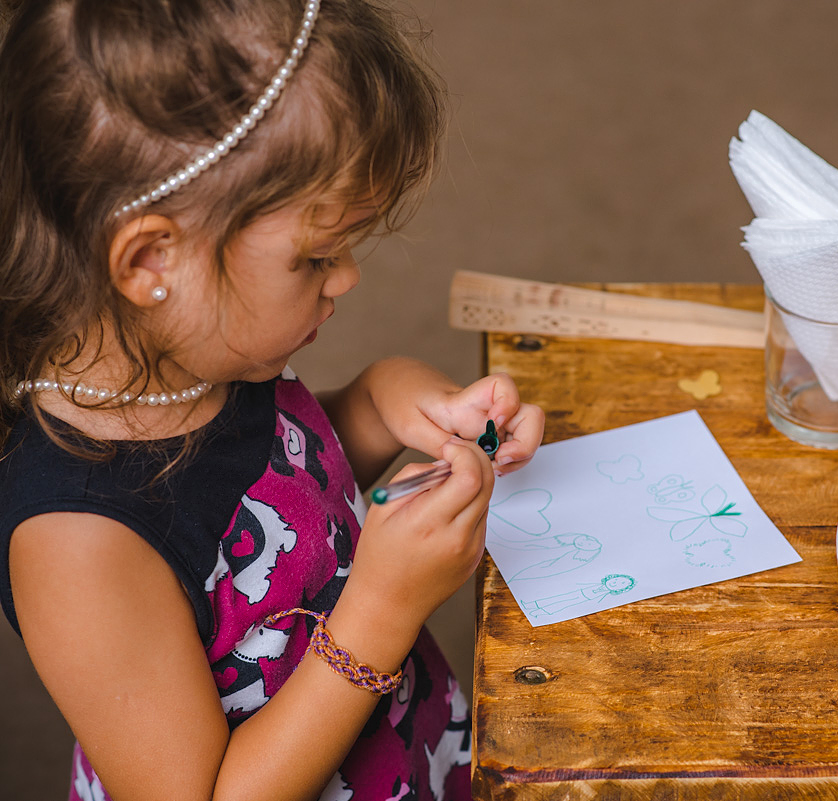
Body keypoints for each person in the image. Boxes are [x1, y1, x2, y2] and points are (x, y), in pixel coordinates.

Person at [0, 1, 544, 799]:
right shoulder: (76, 542)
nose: (348, 276)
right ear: (152, 259)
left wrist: (402, 404)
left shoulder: (198, 355)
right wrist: (383, 610)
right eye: (316, 256)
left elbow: (293, 483)